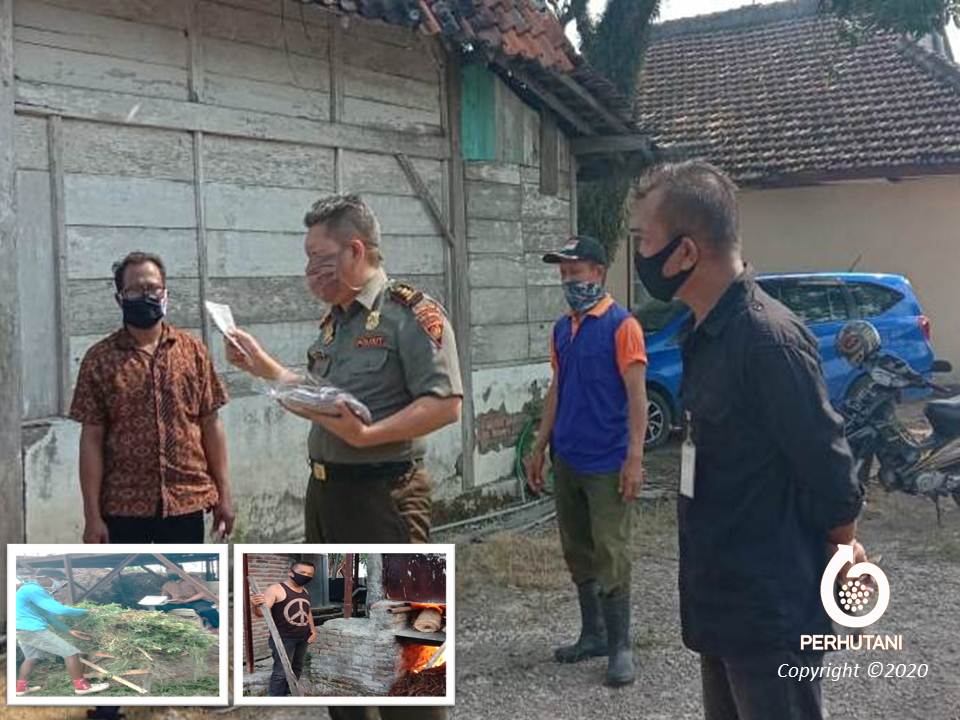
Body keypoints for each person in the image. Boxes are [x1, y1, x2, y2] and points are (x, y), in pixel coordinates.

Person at [631, 160, 866, 720]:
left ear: (685, 253)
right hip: (721, 600)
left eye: (643, 240)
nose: (638, 254)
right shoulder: (704, 333)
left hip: (771, 611)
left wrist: (842, 547)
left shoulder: (767, 340)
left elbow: (828, 464)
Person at [226, 194, 462, 545]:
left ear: (354, 251)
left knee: (392, 602)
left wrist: (368, 435)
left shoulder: (410, 312)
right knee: (333, 601)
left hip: (383, 497)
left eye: (318, 258)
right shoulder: (336, 320)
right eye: (308, 259)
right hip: (326, 494)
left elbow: (446, 405)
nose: (309, 270)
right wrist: (262, 366)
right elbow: (324, 396)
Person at [524, 235, 648, 687]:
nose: (569, 281)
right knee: (578, 550)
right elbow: (557, 389)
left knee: (610, 551)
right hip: (569, 457)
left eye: (575, 272)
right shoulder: (563, 329)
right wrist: (539, 445)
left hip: (607, 460)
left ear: (597, 272)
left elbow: (638, 396)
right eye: (563, 274)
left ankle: (620, 648)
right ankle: (593, 633)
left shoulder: (622, 325)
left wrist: (635, 458)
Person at [70, 251, 235, 544]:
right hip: (123, 508)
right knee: (131, 590)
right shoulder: (100, 359)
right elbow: (91, 439)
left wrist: (225, 494)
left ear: (165, 293)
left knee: (188, 589)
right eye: (134, 289)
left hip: (186, 503)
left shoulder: (192, 351)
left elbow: (211, 424)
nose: (144, 296)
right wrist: (91, 516)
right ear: (119, 298)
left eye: (152, 288)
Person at [15, 574, 109, 697]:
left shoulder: (28, 591)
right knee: (70, 653)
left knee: (31, 658)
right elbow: (59, 610)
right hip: (32, 629)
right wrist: (87, 611)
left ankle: (21, 688)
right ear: (43, 577)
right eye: (58, 581)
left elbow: (47, 615)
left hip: (20, 630)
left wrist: (68, 630)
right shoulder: (33, 589)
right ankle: (81, 686)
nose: (58, 585)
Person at [250, 560, 318, 696]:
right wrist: (256, 605)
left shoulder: (304, 590)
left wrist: (313, 630)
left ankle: (288, 693)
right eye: (302, 572)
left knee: (297, 668)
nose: (306, 576)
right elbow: (261, 612)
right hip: (284, 639)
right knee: (281, 672)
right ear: (290, 573)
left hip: (303, 638)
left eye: (310, 574)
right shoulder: (276, 589)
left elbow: (307, 611)